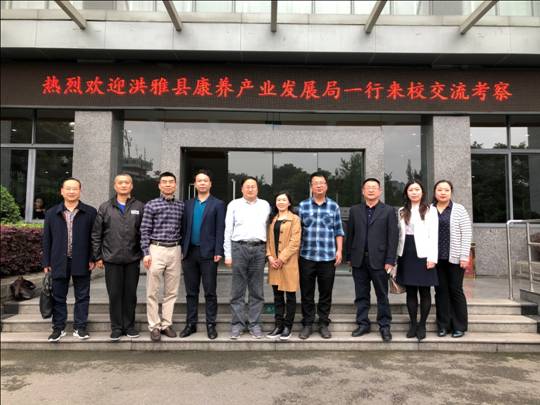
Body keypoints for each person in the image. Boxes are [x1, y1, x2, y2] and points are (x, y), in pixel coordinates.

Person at [42, 178, 97, 342]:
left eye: (75, 188)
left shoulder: (90, 212)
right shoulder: (52, 213)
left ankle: (80, 327)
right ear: (62, 191)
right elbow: (47, 239)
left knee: (82, 296)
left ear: (80, 191)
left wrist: (93, 257)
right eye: (68, 188)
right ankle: (58, 328)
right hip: (58, 260)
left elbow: (94, 238)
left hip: (82, 260)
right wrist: (46, 262)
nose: (71, 191)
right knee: (58, 296)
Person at [91, 174, 145, 341]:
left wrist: (143, 253)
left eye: (126, 182)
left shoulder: (139, 206)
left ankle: (129, 326)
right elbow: (96, 234)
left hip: (132, 258)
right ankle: (116, 327)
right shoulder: (105, 207)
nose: (123, 185)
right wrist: (97, 256)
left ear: (131, 186)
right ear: (115, 186)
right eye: (120, 183)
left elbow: (144, 232)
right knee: (114, 294)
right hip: (111, 258)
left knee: (130, 294)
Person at [346, 178, 398, 342]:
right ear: (363, 191)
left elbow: (393, 237)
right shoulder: (355, 210)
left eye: (374, 187)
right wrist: (349, 257)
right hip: (359, 260)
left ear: (379, 191)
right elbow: (350, 235)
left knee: (382, 295)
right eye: (367, 187)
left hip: (380, 261)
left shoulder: (388, 211)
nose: (370, 190)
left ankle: (384, 326)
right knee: (361, 295)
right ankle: (363, 323)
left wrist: (390, 260)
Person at [298, 172, 345, 340]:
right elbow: (298, 231)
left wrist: (339, 251)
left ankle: (323, 323)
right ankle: (308, 323)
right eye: (315, 183)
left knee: (326, 292)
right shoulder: (303, 206)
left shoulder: (333, 206)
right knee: (307, 292)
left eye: (322, 183)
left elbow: (338, 231)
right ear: (311, 186)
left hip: (327, 257)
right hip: (306, 256)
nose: (319, 185)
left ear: (326, 186)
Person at [180, 169, 225, 340]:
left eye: (205, 180)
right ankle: (190, 324)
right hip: (189, 253)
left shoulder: (218, 204)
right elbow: (183, 228)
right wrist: (182, 249)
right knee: (191, 292)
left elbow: (220, 229)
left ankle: (211, 324)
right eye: (199, 181)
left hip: (209, 253)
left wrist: (218, 250)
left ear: (210, 184)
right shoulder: (188, 204)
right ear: (195, 184)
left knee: (210, 292)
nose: (202, 183)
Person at [224, 177, 270, 339]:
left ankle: (254, 324)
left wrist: (268, 252)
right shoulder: (234, 205)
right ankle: (237, 324)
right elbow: (228, 230)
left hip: (259, 249)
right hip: (239, 248)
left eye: (253, 186)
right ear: (242, 189)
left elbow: (269, 229)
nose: (250, 189)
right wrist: (228, 254)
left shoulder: (265, 205)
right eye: (247, 186)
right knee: (238, 290)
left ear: (257, 189)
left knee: (257, 290)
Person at [140, 172, 184, 342]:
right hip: (156, 249)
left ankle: (166, 324)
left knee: (171, 291)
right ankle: (154, 326)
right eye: (164, 182)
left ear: (175, 185)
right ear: (159, 185)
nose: (167, 184)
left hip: (175, 249)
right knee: (152, 291)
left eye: (171, 182)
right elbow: (144, 230)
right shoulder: (151, 205)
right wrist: (146, 252)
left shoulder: (181, 206)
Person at [396, 181, 438, 341]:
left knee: (425, 291)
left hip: (424, 254)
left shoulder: (430, 210)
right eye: (411, 190)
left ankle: (422, 325)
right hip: (406, 252)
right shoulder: (402, 210)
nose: (414, 192)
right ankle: (413, 324)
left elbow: (434, 235)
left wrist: (432, 257)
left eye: (417, 189)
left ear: (422, 192)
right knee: (411, 292)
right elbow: (400, 235)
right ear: (406, 193)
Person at [432, 180, 472, 338]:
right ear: (435, 192)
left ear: (451, 192)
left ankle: (459, 326)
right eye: (439, 190)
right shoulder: (429, 209)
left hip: (455, 258)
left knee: (456, 290)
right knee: (440, 291)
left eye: (446, 190)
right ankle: (443, 325)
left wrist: (464, 256)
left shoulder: (459, 209)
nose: (443, 193)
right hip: (436, 258)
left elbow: (466, 234)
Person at [265, 192, 301, 341]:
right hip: (274, 263)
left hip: (288, 263)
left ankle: (288, 327)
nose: (281, 202)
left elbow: (295, 242)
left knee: (290, 296)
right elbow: (268, 240)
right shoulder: (272, 219)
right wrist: (270, 257)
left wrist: (281, 258)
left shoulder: (295, 219)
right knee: (277, 296)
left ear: (289, 203)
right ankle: (278, 325)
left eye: (284, 200)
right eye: (278, 200)